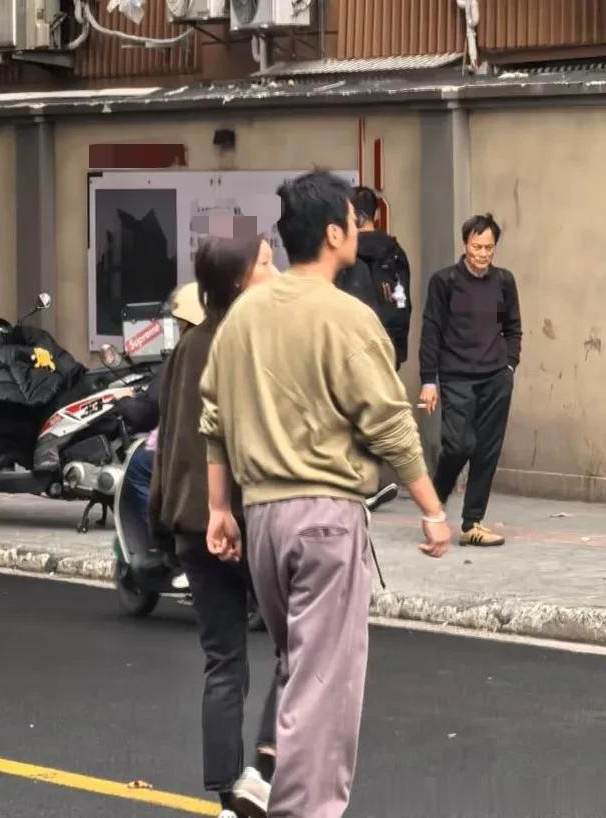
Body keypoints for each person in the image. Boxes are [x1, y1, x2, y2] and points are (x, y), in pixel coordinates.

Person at [200, 171, 450, 818]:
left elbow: (214, 418)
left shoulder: (245, 314)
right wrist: (431, 509)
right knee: (324, 690)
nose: (361, 231)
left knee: (299, 670)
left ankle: (271, 787)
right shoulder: (348, 317)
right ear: (335, 234)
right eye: (354, 222)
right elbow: (389, 424)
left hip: (262, 519)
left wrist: (220, 509)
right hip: (326, 520)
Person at [150, 236, 278, 818]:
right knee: (300, 647)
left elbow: (168, 440)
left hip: (189, 523)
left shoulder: (189, 344)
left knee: (223, 661)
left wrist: (164, 523)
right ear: (239, 280)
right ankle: (265, 770)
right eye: (266, 263)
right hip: (241, 522)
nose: (275, 271)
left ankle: (229, 798)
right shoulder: (249, 342)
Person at [419, 213, 522, 547]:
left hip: (496, 378)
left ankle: (472, 523)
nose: (483, 253)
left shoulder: (504, 281)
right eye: (477, 246)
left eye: (489, 247)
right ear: (465, 244)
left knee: (487, 450)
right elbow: (431, 331)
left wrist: (509, 366)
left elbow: (512, 327)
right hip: (456, 377)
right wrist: (429, 380)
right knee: (459, 444)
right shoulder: (444, 281)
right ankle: (435, 499)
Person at [335, 185, 413, 512]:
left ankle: (357, 484)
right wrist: (397, 350)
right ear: (375, 215)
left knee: (345, 415)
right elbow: (404, 303)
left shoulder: (343, 254)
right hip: (386, 347)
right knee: (375, 413)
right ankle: (369, 481)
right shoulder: (395, 253)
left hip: (350, 348)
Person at [118, 282, 204, 529]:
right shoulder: (223, 340)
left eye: (178, 323)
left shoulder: (188, 349)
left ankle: (160, 536)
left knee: (137, 467)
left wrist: (123, 402)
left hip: (196, 445)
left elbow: (149, 410)